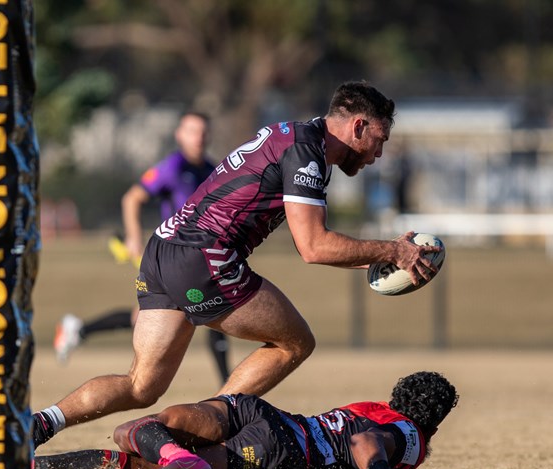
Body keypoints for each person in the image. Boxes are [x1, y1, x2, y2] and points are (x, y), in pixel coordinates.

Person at [33, 81, 443, 448]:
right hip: (203, 259)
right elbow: (315, 247)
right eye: (380, 139)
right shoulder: (307, 153)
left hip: (163, 249)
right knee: (295, 342)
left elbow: (320, 242)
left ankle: (39, 425)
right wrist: (392, 252)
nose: (379, 154)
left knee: (141, 386)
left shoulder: (296, 136)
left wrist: (380, 262)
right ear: (357, 127)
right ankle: (204, 431)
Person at [34, 371, 458, 469]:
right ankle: (178, 461)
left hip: (258, 411)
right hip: (283, 450)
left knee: (131, 429)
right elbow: (364, 444)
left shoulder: (377, 406)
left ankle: (24, 465)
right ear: (433, 422)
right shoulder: (410, 435)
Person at [54, 111, 231, 382]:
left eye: (203, 131)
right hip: (170, 256)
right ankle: (229, 389)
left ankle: (78, 330)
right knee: (212, 306)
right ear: (179, 135)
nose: (199, 137)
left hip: (195, 257)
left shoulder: (210, 169)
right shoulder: (171, 167)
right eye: (192, 131)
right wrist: (134, 236)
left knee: (152, 316)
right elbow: (132, 199)